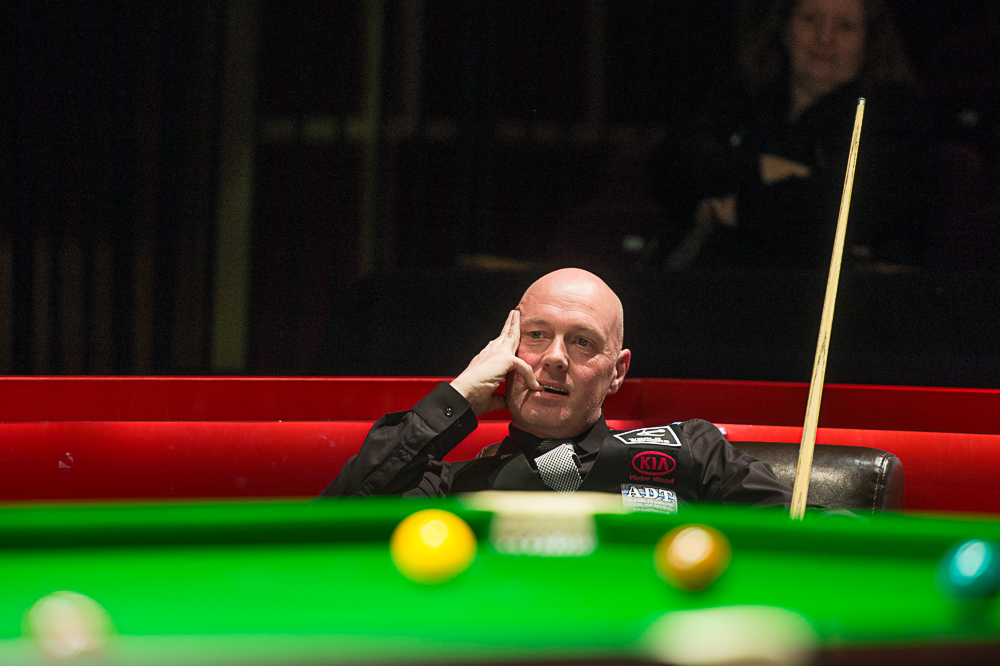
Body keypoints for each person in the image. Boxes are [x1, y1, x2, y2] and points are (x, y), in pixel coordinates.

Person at [319, 268, 792, 512]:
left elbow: (810, 536)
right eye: (537, 335)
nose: (556, 357)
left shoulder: (692, 451)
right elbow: (333, 523)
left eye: (583, 342)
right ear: (505, 350)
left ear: (617, 372)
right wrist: (458, 396)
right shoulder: (448, 485)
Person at [648, 0, 931, 270]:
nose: (824, 38)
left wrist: (738, 208)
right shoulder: (748, 95)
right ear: (784, 29)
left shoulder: (892, 115)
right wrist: (762, 168)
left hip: (818, 289)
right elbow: (671, 165)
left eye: (845, 27)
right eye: (810, 20)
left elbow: (847, 210)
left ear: (870, 41)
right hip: (702, 279)